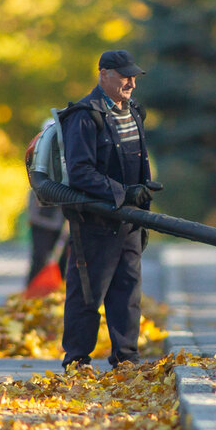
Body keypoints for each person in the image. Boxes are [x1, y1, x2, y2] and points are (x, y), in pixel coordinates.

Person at [60, 49, 159, 370]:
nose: (130, 82)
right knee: (88, 295)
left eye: (133, 76)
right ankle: (76, 361)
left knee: (128, 294)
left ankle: (126, 360)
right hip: (95, 223)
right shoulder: (85, 116)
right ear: (103, 74)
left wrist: (141, 196)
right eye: (123, 76)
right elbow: (80, 173)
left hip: (130, 222)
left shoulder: (131, 111)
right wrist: (123, 193)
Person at [25, 190, 68, 285]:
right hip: (42, 221)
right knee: (40, 258)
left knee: (63, 260)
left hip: (63, 221)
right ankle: (32, 291)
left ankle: (57, 290)